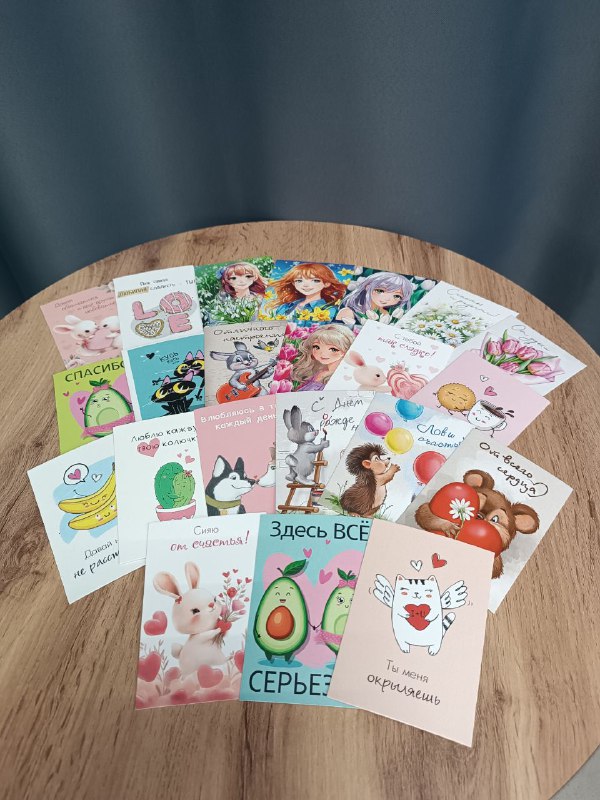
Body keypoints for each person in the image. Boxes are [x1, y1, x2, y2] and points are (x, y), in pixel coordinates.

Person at [264, 262, 347, 326]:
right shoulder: (285, 307)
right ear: (293, 283)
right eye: (299, 281)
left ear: (326, 283)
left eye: (315, 280)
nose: (306, 285)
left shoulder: (330, 310)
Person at [335, 271, 414, 329]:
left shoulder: (390, 315)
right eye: (380, 291)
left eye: (397, 296)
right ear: (368, 287)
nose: (387, 299)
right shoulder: (348, 312)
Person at [292, 324, 355, 390]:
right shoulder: (317, 371)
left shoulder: (342, 378)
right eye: (317, 347)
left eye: (333, 349)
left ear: (346, 350)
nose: (323, 353)